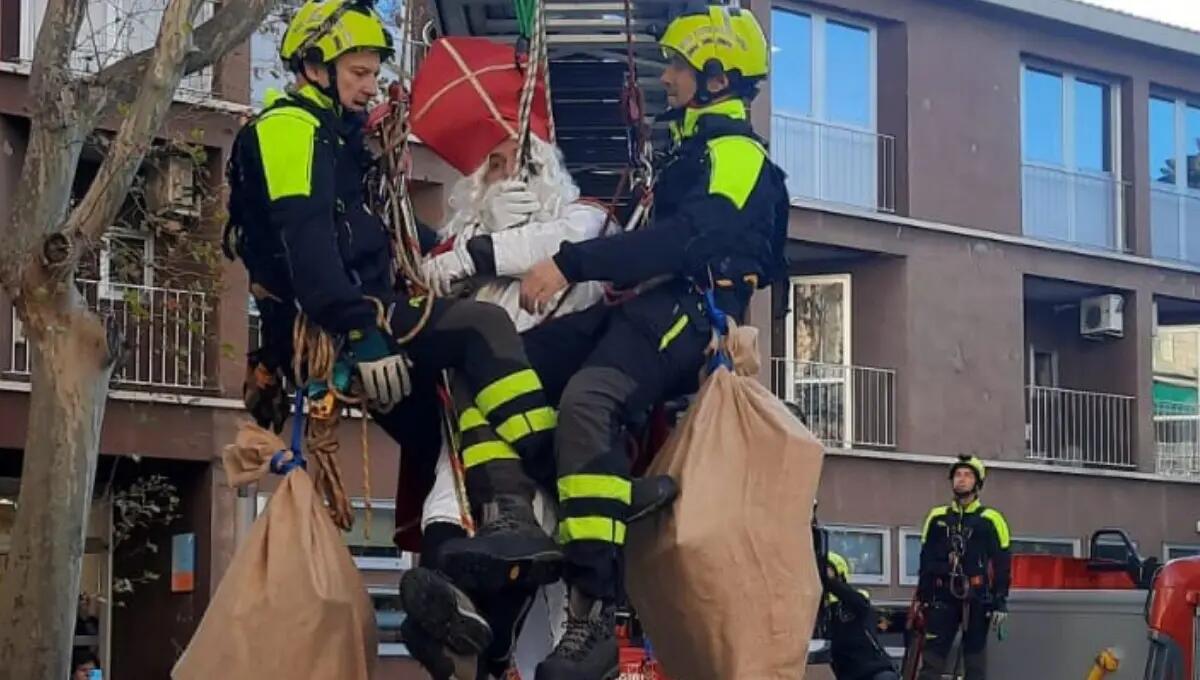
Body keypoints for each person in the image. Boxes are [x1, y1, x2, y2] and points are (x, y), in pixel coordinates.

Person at [436, 6, 790, 679]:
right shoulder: (689, 151)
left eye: (679, 67)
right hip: (640, 307)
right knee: (483, 362)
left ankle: (594, 613)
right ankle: (520, 507)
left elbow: (686, 240)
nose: (668, 77)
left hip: (689, 310)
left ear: (717, 79)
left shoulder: (738, 155)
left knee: (588, 403)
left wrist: (570, 263)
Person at [222, 0, 563, 662]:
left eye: (373, 73)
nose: (369, 86)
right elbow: (307, 251)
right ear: (314, 67)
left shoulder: (342, 139)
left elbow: (381, 233)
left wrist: (470, 236)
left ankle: (444, 599)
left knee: (448, 437)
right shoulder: (289, 129)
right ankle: (543, 473)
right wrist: (362, 334)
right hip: (349, 318)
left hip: (363, 310)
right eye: (357, 72)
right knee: (483, 329)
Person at [400, 118, 677, 679]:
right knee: (453, 501)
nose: (509, 175)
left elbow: (571, 243)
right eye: (496, 165)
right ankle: (447, 620)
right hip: (474, 411)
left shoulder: (585, 219)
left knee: (537, 534)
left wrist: (486, 250)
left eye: (522, 163)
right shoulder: (458, 245)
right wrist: (467, 252)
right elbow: (424, 283)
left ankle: (511, 638)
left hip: (552, 400)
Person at [915, 456, 1012, 680]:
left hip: (976, 597)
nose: (961, 479)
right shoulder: (937, 517)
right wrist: (923, 596)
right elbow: (925, 559)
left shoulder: (990, 519)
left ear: (977, 483)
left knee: (974, 662)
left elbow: (1002, 562)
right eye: (958, 475)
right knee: (931, 661)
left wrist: (1000, 600)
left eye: (968, 475)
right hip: (942, 596)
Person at [822, 552, 899, 680]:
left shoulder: (854, 603)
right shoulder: (821, 612)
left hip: (876, 672)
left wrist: (829, 581)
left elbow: (857, 601)